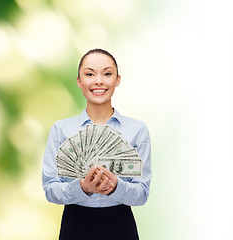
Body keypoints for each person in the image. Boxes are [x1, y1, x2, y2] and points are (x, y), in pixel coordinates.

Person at [42, 48, 152, 240]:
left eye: (107, 74)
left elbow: (141, 194)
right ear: (79, 81)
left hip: (120, 224)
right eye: (89, 74)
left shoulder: (137, 130)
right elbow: (51, 190)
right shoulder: (61, 130)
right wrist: (82, 188)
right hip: (75, 224)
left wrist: (117, 186)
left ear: (117, 80)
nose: (99, 81)